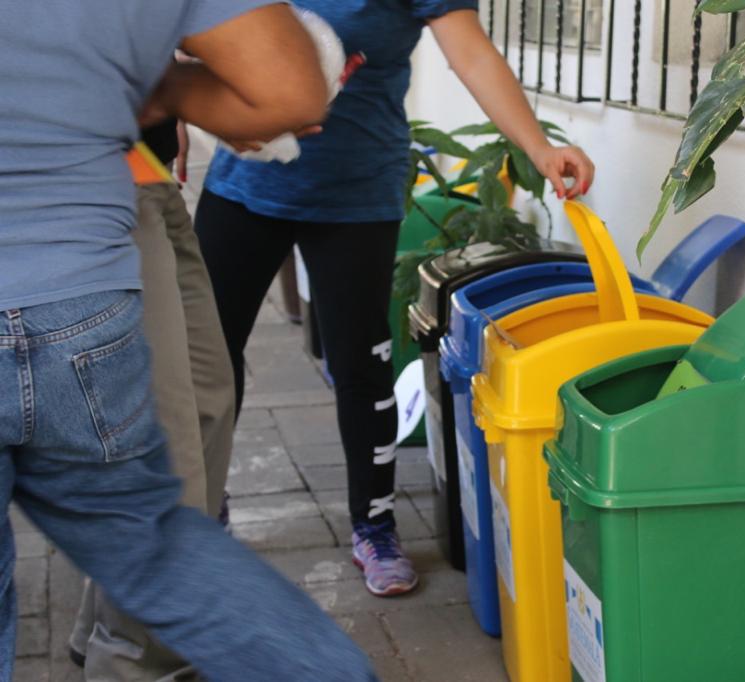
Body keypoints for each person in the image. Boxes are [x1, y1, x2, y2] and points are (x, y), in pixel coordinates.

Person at [0, 2, 377, 680]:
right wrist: (170, 84)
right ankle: (133, 657)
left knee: (195, 423)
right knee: (154, 524)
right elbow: (288, 88)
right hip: (79, 246)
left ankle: (113, 638)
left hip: (126, 197)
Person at [193, 0, 596, 598]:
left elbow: (473, 55)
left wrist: (537, 148)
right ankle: (202, 510)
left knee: (361, 365)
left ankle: (374, 524)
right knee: (207, 362)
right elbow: (194, 31)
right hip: (244, 186)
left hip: (356, 197)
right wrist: (166, 105)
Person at [67, 116, 239, 680]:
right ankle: (139, 663)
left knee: (211, 401)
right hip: (93, 180)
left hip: (149, 167)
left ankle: (105, 625)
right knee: (167, 450)